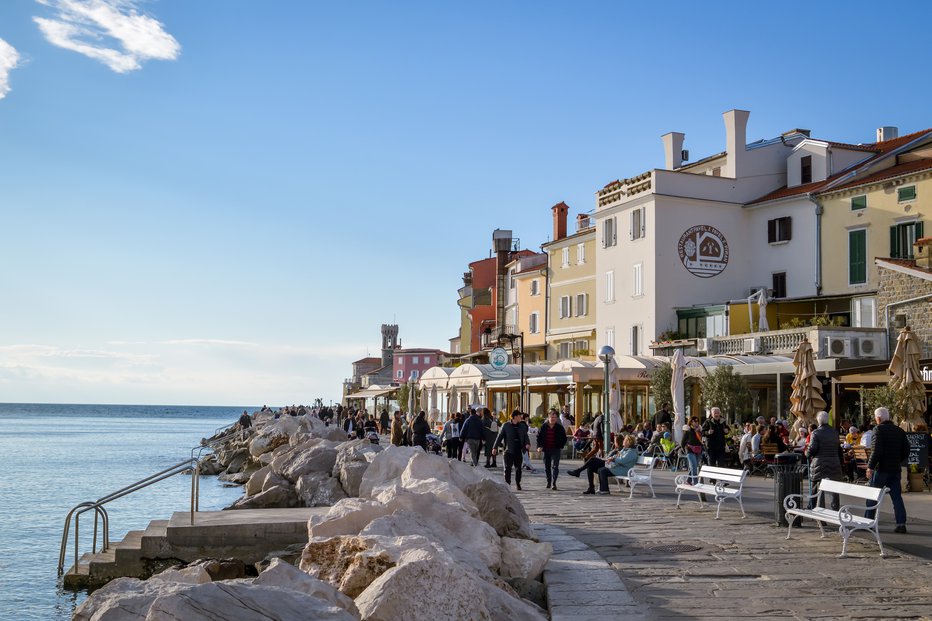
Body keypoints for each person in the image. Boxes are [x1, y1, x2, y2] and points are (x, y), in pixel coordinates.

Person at [865, 407, 910, 533]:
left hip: (881, 469)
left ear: (878, 418)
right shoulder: (899, 431)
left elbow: (876, 451)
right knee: (897, 498)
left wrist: (870, 466)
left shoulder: (878, 429)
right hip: (895, 469)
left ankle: (868, 522)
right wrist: (897, 459)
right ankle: (901, 524)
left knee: (873, 496)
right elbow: (906, 450)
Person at [806, 411, 844, 511]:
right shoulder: (834, 432)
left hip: (819, 463)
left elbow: (813, 448)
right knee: (834, 488)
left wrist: (807, 453)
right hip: (834, 462)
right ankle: (835, 510)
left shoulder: (816, 432)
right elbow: (838, 448)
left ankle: (818, 510)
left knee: (817, 487)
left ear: (819, 421)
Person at [491, 410, 530, 490]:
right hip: (508, 450)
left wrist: (527, 443)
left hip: (518, 449)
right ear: (515, 417)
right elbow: (499, 437)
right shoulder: (506, 425)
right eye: (519, 416)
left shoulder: (522, 426)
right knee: (507, 468)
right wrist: (495, 447)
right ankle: (507, 484)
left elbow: (526, 436)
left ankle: (518, 483)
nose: (521, 417)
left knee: (518, 468)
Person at [537, 409, 568, 490]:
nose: (553, 418)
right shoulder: (543, 426)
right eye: (551, 417)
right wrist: (539, 446)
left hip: (556, 449)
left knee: (555, 466)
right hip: (546, 449)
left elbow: (564, 438)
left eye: (554, 417)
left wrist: (560, 445)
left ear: (557, 418)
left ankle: (554, 482)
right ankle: (548, 481)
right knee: (547, 467)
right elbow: (539, 437)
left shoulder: (559, 427)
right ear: (548, 417)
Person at [680, 423, 704, 487]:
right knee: (694, 465)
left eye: (697, 424)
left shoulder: (700, 433)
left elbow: (702, 442)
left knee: (694, 466)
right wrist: (685, 450)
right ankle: (695, 482)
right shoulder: (688, 432)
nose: (696, 426)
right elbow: (682, 443)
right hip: (690, 451)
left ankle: (689, 481)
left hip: (698, 451)